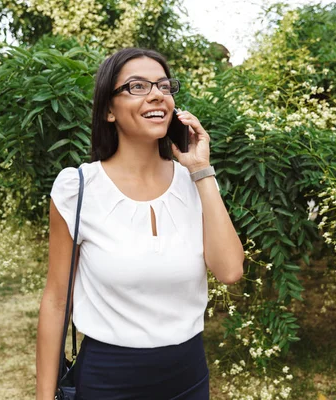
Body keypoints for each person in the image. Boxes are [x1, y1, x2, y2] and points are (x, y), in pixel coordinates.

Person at [36, 47, 244, 400]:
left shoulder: (194, 182)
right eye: (137, 86)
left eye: (164, 85)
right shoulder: (78, 188)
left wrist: (200, 170)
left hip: (188, 375)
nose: (157, 95)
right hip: (108, 379)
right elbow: (57, 301)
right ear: (108, 110)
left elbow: (229, 271)